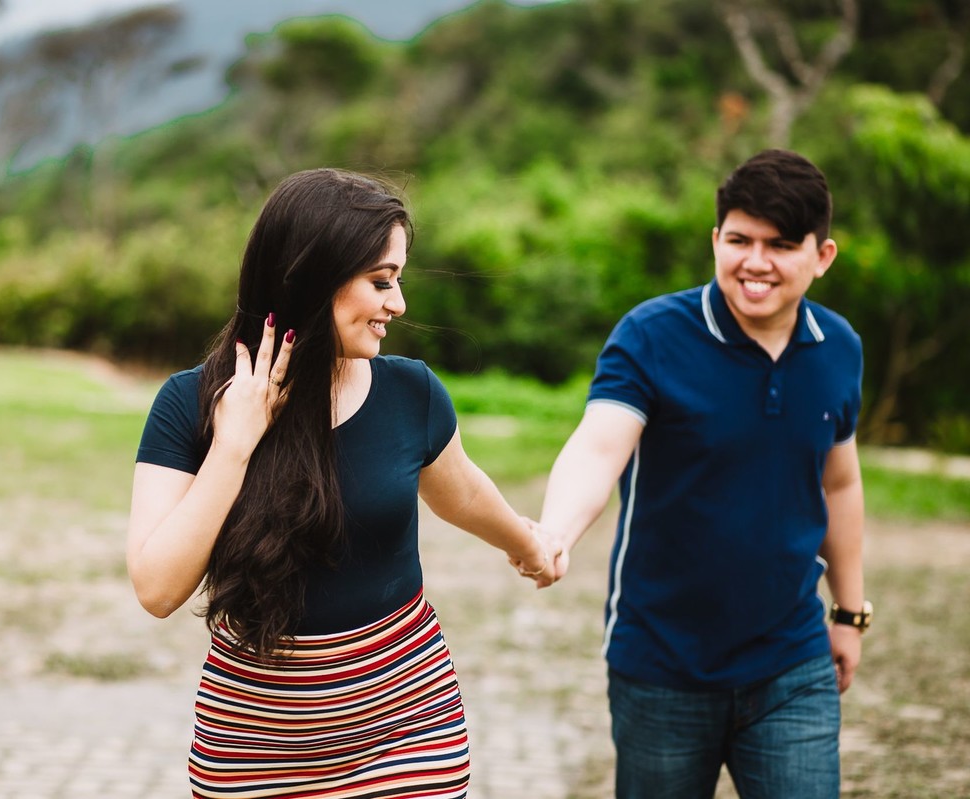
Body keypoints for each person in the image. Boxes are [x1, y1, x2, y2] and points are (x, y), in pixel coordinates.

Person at [127, 167, 562, 799]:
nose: (399, 305)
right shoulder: (188, 403)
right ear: (311, 277)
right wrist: (234, 447)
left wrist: (527, 543)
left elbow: (462, 492)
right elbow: (158, 589)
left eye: (400, 281)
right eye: (381, 282)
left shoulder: (411, 393)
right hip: (254, 743)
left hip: (408, 726)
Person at [538, 149, 868, 798]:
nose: (755, 262)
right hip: (661, 662)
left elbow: (839, 482)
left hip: (791, 660)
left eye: (780, 245)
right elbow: (599, 446)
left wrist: (850, 613)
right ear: (715, 239)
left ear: (822, 256)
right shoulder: (652, 335)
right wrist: (554, 533)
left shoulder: (839, 348)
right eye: (739, 240)